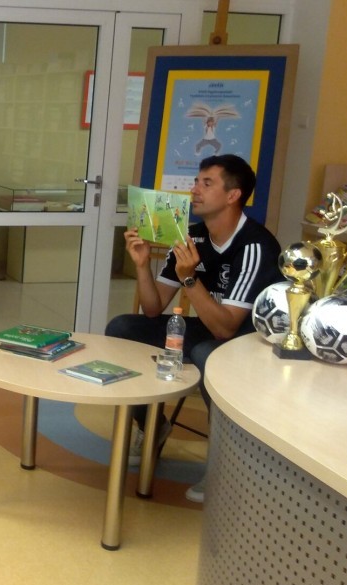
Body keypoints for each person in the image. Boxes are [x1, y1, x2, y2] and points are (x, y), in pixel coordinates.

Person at [104, 154, 282, 503]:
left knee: (205, 353)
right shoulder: (193, 237)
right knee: (122, 327)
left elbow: (226, 329)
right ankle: (152, 427)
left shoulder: (255, 245)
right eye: (196, 181)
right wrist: (141, 264)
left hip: (247, 341)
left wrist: (189, 279)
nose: (194, 190)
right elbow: (153, 308)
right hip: (211, 329)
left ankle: (225, 463)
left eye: (206, 183)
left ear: (233, 195)